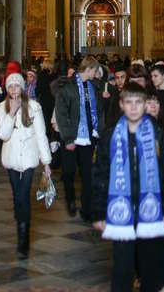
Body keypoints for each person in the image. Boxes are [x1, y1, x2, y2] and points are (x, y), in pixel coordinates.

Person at [91, 82, 164, 292]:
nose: (133, 107)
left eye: (138, 102)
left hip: (152, 212)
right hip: (121, 214)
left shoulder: (158, 134)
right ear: (121, 104)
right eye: (129, 102)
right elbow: (99, 176)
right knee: (122, 269)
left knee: (151, 269)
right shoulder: (109, 136)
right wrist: (98, 212)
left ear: (145, 104)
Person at [0, 72, 52, 259]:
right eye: (10, 86)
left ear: (22, 87)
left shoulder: (34, 107)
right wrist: (11, 113)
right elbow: (2, 135)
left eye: (16, 86)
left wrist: (46, 162)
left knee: (23, 195)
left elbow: (41, 135)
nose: (13, 89)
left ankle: (23, 239)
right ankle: (20, 220)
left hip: (28, 158)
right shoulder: (2, 107)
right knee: (16, 196)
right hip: (11, 158)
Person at [55, 55, 104, 221]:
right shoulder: (67, 86)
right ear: (89, 69)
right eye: (95, 71)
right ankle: (70, 199)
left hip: (89, 137)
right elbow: (62, 114)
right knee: (68, 172)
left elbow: (98, 110)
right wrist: (68, 138)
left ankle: (87, 209)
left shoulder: (94, 86)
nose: (97, 74)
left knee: (88, 174)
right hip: (72, 136)